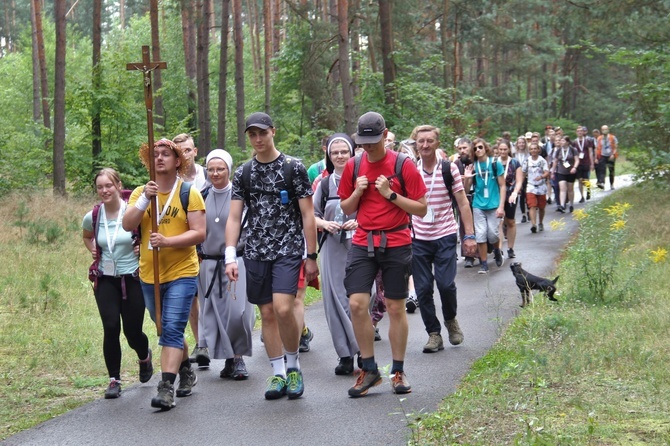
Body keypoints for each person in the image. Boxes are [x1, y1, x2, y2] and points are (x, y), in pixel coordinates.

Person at [224, 112, 318, 401]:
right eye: (252, 134)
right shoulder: (244, 172)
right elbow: (234, 217)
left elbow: (308, 213)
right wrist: (230, 255)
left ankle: (293, 367)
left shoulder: (293, 167)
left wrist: (311, 254)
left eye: (262, 133)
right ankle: (278, 373)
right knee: (266, 313)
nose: (258, 139)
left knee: (283, 309)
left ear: (273, 132)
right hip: (255, 250)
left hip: (288, 247)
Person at [339, 111, 427, 397]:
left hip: (397, 240)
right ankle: (369, 369)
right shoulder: (353, 166)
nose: (369, 148)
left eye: (374, 142)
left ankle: (398, 371)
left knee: (394, 307)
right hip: (364, 240)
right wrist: (357, 193)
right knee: (356, 304)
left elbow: (421, 208)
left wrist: (391, 194)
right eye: (363, 143)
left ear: (385, 135)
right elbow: (346, 208)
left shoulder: (404, 165)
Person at [122, 139, 206, 411]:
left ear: (178, 161)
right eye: (155, 155)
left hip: (182, 271)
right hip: (150, 275)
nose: (159, 158)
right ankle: (185, 371)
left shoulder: (188, 192)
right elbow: (127, 225)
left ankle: (165, 387)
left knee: (171, 328)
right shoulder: (140, 193)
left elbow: (199, 232)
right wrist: (146, 197)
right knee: (165, 327)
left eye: (166, 154)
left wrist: (168, 242)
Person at [82, 168, 153, 399]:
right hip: (105, 279)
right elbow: (86, 235)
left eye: (108, 186)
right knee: (111, 327)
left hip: (132, 277)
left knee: (132, 331)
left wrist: (140, 246)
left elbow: (147, 237)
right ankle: (114, 379)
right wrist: (92, 247)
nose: (104, 191)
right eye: (100, 187)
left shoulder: (132, 212)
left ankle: (144, 356)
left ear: (118, 185)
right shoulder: (93, 215)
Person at [410, 125, 475, 354]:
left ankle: (450, 319)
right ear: (415, 144)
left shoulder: (449, 169)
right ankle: (434, 334)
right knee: (423, 288)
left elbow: (463, 203)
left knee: (446, 285)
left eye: (429, 141)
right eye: (421, 141)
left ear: (437, 143)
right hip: (418, 238)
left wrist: (469, 235)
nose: (425, 145)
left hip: (445, 235)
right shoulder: (410, 170)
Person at [197, 149, 254, 381]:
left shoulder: (240, 194)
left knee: (238, 312)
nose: (215, 173)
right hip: (209, 263)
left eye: (220, 169)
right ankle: (231, 359)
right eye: (211, 169)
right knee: (215, 313)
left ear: (229, 170)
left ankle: (239, 357)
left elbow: (250, 226)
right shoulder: (199, 196)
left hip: (237, 260)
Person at [313, 133, 360, 375]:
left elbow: (374, 211)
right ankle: (345, 354)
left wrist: (359, 222)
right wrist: (323, 224)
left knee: (361, 297)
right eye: (335, 153)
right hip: (332, 247)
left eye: (344, 151)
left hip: (360, 246)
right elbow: (310, 216)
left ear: (352, 153)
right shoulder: (324, 184)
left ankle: (363, 349)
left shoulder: (362, 180)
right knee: (334, 299)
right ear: (329, 156)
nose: (340, 156)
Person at [172, 133, 209, 367]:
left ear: (195, 151)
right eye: (179, 151)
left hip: (210, 243)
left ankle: (221, 343)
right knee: (192, 297)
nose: (184, 155)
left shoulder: (210, 174)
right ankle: (201, 344)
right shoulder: (172, 181)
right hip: (186, 244)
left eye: (187, 150)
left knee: (212, 294)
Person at [463, 138, 506, 274]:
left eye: (480, 147)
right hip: (478, 205)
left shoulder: (494, 163)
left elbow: (502, 185)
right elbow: (466, 190)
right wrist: (468, 178)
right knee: (481, 235)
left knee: (493, 234)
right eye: (475, 149)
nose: (478, 150)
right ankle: (484, 263)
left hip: (493, 204)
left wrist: (501, 207)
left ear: (485, 148)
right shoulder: (472, 165)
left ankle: (497, 251)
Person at [497, 141, 523, 259]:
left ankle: (510, 248)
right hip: (497, 194)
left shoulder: (515, 162)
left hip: (511, 194)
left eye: (505, 149)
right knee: (499, 222)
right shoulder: (494, 162)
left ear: (509, 150)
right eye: (500, 149)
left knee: (510, 221)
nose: (502, 152)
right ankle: (499, 249)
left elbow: (519, 181)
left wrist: (515, 192)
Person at [523, 142, 550, 233]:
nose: (533, 150)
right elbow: (523, 173)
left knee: (541, 207)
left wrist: (542, 176)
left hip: (541, 186)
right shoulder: (527, 161)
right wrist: (519, 184)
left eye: (535, 149)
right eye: (532, 149)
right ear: (529, 151)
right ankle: (533, 224)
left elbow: (547, 172)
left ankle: (540, 222)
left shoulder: (542, 161)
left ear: (539, 150)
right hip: (530, 186)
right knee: (532, 205)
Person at [551, 135, 579, 213]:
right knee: (562, 188)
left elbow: (577, 160)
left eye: (563, 141)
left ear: (567, 142)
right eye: (560, 141)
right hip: (561, 172)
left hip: (570, 172)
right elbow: (555, 161)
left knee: (570, 189)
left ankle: (571, 204)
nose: (561, 142)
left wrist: (574, 167)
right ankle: (562, 205)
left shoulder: (573, 150)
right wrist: (553, 172)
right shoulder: (558, 151)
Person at [573, 126, 595, 202]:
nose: (580, 132)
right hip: (578, 163)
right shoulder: (574, 142)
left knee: (586, 179)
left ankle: (588, 190)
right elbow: (573, 153)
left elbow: (590, 152)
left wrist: (592, 163)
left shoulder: (588, 141)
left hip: (586, 162)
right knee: (580, 180)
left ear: (583, 132)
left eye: (581, 131)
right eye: (578, 131)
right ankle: (581, 196)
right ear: (576, 132)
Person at [595, 125, 618, 190]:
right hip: (602, 155)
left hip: (611, 155)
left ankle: (611, 184)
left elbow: (616, 147)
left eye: (606, 129)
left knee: (611, 170)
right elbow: (597, 148)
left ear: (608, 130)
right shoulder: (599, 138)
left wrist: (613, 154)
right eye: (603, 129)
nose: (605, 130)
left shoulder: (612, 137)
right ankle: (602, 183)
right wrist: (596, 157)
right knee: (602, 170)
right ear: (601, 131)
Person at [514, 136, 530, 223]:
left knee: (527, 195)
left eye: (523, 143)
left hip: (527, 176)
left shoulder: (528, 153)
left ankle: (528, 211)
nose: (521, 144)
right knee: (521, 196)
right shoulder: (514, 154)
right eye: (519, 143)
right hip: (517, 177)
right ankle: (523, 214)